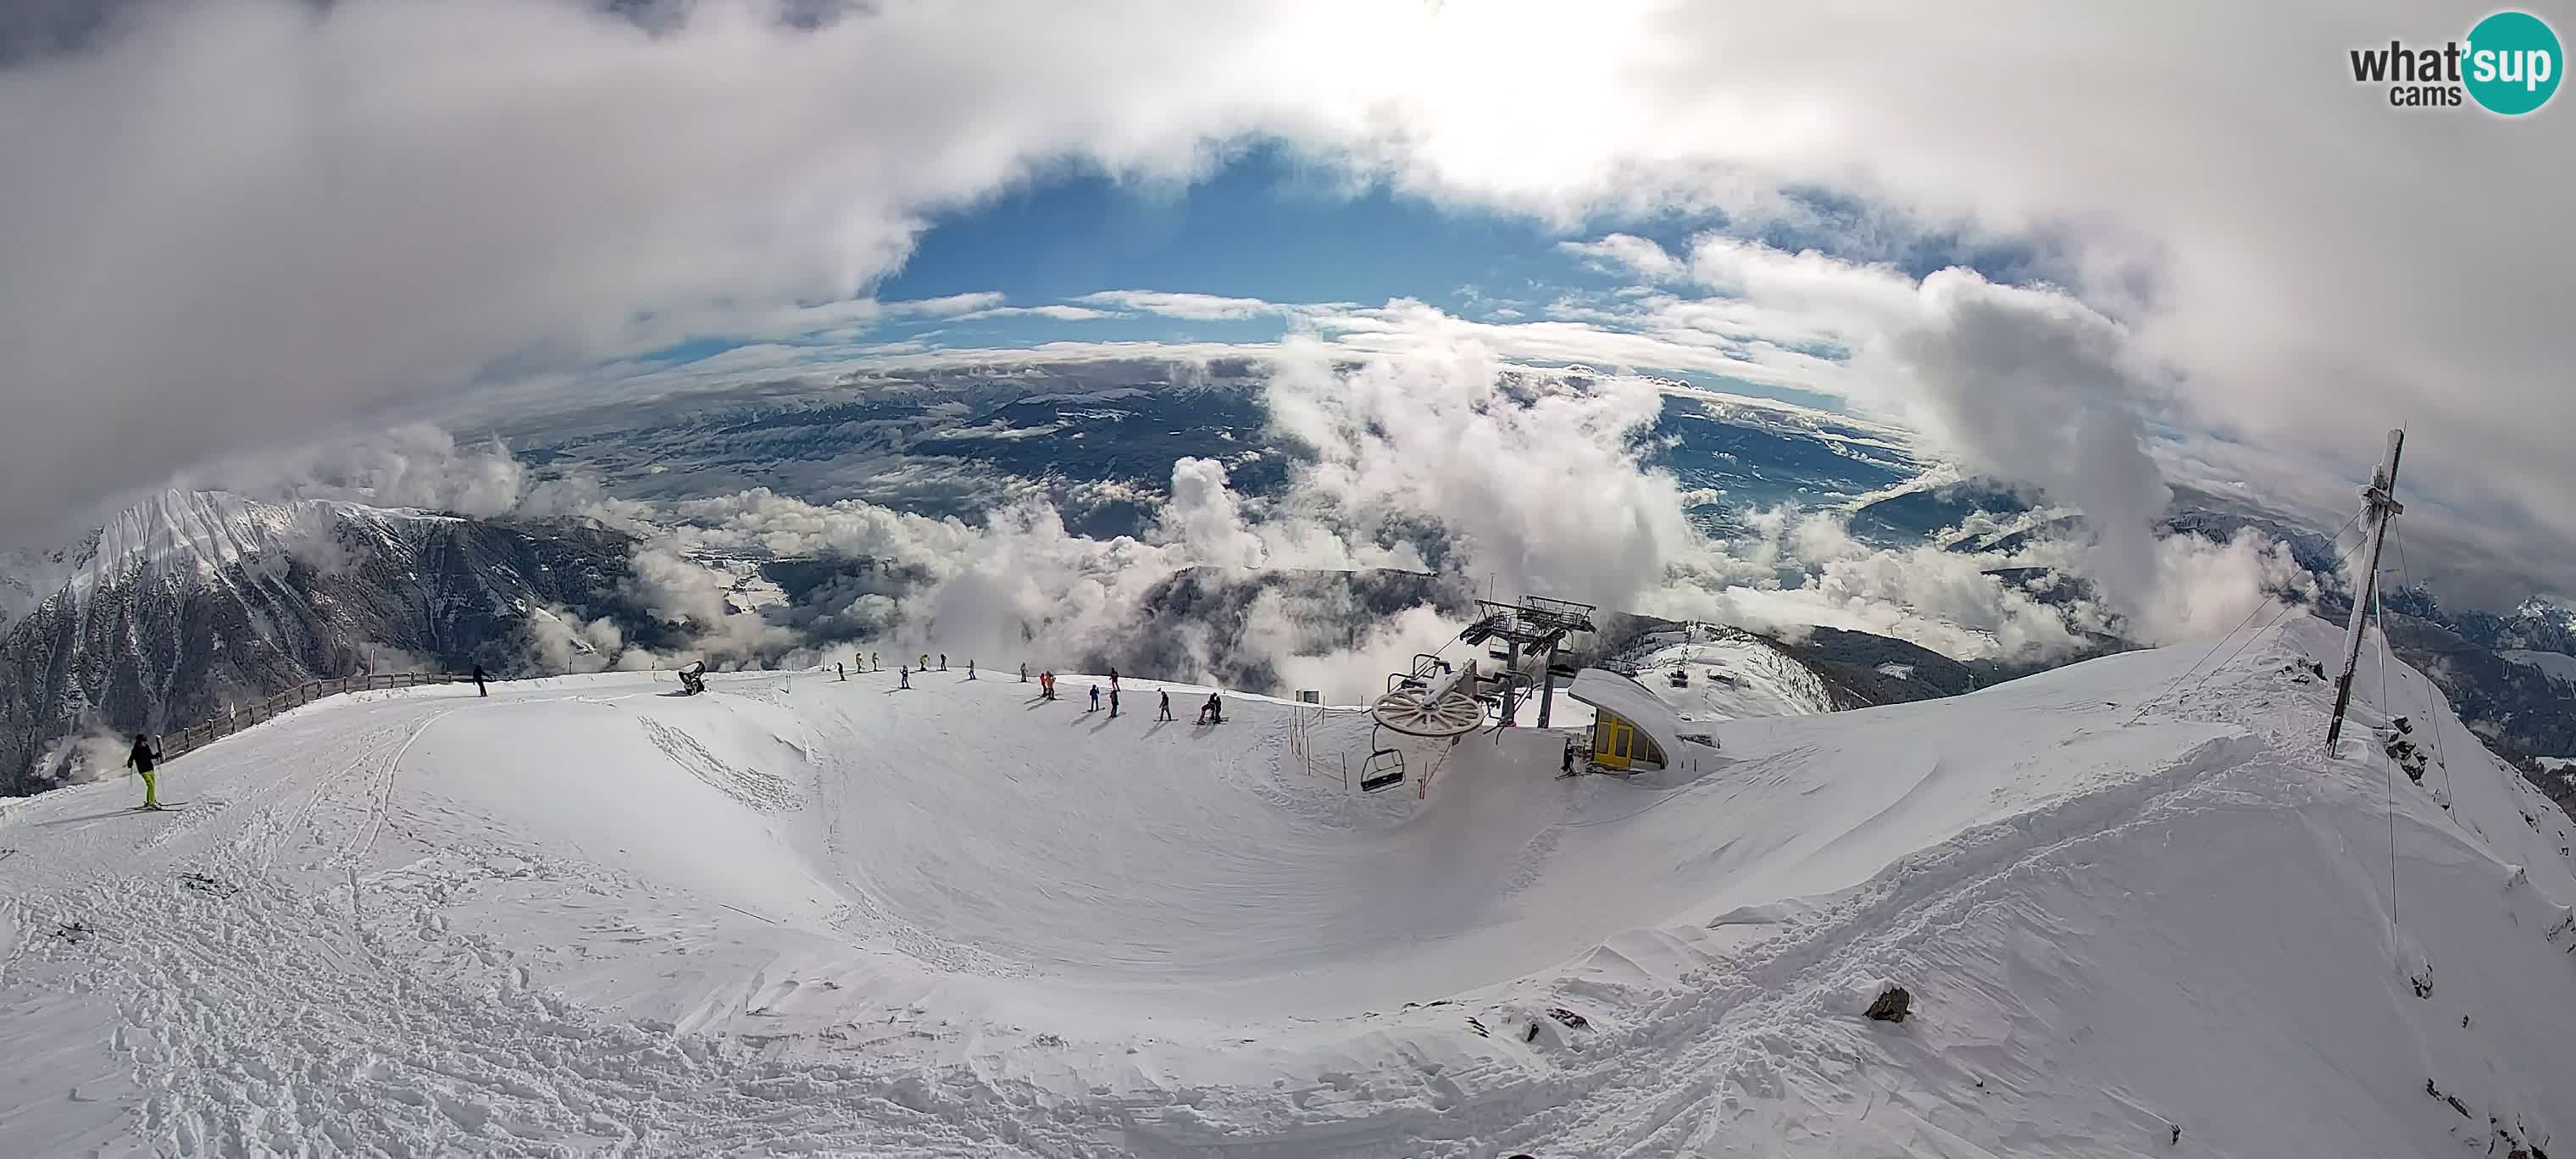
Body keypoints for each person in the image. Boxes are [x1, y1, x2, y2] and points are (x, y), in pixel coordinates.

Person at [126, 734, 163, 810]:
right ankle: (151, 803)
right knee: (151, 785)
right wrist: (130, 762)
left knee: (152, 785)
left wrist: (156, 755)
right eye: (144, 741)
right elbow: (131, 757)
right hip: (143, 770)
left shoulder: (146, 747)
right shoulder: (136, 749)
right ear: (140, 742)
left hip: (150, 768)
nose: (145, 743)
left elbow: (150, 756)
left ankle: (151, 800)